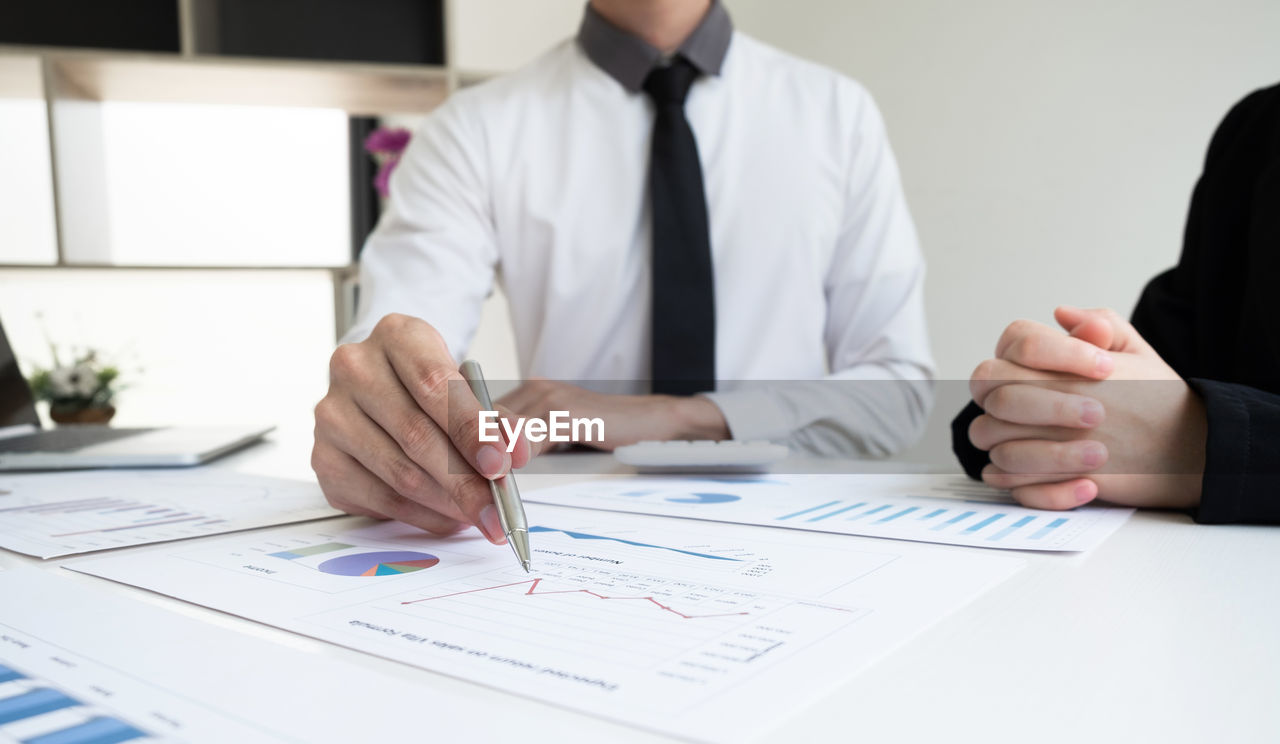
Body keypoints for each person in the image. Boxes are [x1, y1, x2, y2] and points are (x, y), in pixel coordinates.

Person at [313, 0, 934, 542]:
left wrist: (680, 417)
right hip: (572, 532)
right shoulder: (472, 130)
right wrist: (382, 418)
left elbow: (897, 396)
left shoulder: (836, 114)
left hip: (802, 529)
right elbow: (398, 346)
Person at [952, 82, 1280, 523]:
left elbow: (1164, 420)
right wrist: (1043, 396)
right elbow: (1156, 380)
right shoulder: (1261, 126)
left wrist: (1200, 444)